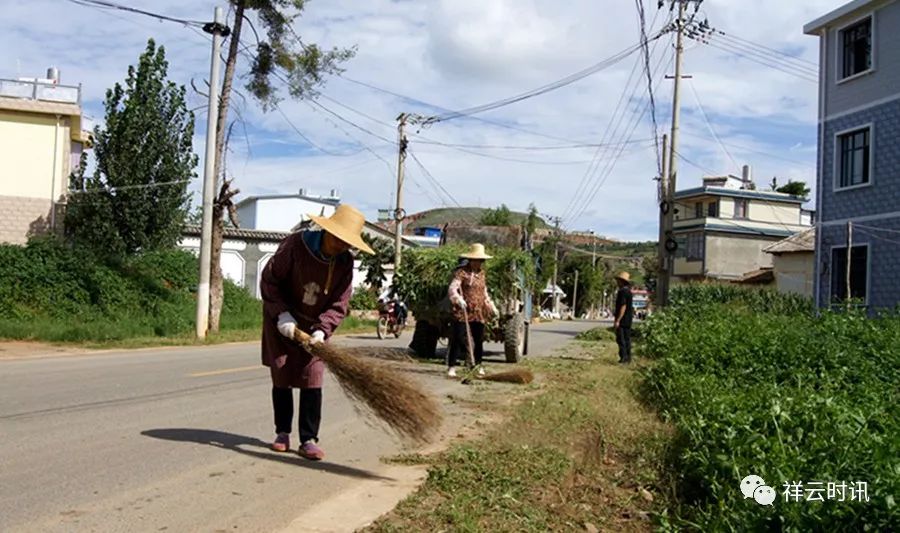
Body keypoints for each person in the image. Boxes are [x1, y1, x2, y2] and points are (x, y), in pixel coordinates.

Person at [259, 204, 374, 460]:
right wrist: (282, 315)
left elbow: (340, 302)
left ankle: (308, 438)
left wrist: (323, 330)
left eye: (348, 242)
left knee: (313, 376)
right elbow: (269, 280)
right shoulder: (295, 246)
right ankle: (282, 433)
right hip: (282, 320)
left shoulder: (345, 262)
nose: (342, 246)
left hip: (313, 327)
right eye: (339, 239)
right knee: (282, 373)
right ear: (326, 231)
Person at [446, 244, 498, 378]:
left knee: (478, 339)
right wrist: (458, 299)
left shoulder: (482, 274)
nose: (478, 263)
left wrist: (491, 305)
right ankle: (452, 367)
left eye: (480, 260)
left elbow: (484, 292)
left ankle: (477, 365)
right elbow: (452, 289)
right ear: (471, 260)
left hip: (478, 311)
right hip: (463, 310)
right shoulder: (462, 272)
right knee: (458, 338)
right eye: (476, 260)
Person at [613, 271, 634, 364]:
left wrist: (618, 320)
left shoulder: (622, 292)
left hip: (623, 320)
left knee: (621, 339)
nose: (617, 282)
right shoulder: (629, 291)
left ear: (622, 281)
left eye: (618, 281)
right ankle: (628, 358)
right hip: (628, 320)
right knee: (627, 339)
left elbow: (623, 306)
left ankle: (624, 358)